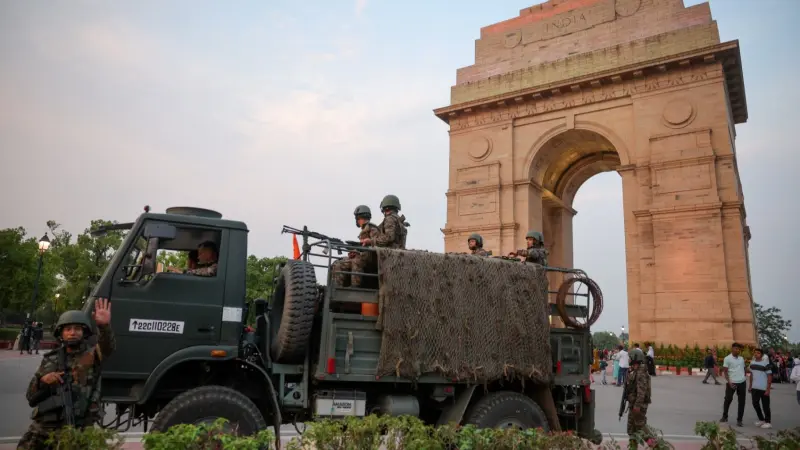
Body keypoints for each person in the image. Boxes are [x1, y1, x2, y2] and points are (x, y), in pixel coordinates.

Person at [18, 299, 115, 450]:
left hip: (79, 426)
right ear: (61, 333)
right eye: (68, 329)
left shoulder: (93, 355)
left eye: (77, 329)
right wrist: (43, 381)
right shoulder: (50, 359)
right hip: (47, 426)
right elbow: (31, 397)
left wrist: (103, 326)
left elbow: (108, 346)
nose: (72, 333)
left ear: (84, 332)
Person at [333, 205, 380, 287]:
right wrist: (355, 252)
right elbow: (364, 248)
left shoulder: (372, 228)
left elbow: (376, 245)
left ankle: (355, 286)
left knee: (356, 261)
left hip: (370, 259)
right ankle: (336, 287)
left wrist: (359, 252)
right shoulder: (366, 229)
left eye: (357, 218)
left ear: (359, 218)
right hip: (364, 257)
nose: (357, 221)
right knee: (338, 263)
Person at [625, 350, 652, 446]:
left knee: (641, 427)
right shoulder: (636, 371)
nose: (629, 360)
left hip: (638, 406)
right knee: (631, 429)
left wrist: (637, 406)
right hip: (634, 404)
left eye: (630, 358)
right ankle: (633, 447)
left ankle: (655, 445)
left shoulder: (640, 373)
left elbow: (641, 392)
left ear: (635, 359)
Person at [721, 342, 747, 427]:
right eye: (736, 349)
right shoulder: (727, 359)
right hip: (732, 382)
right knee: (728, 399)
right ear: (732, 349)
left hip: (742, 382)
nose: (737, 350)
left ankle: (739, 420)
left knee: (742, 402)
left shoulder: (741, 359)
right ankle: (725, 416)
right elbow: (725, 372)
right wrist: (729, 382)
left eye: (739, 349)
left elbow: (744, 369)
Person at [748, 348, 773, 429]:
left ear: (761, 355)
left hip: (763, 388)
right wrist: (750, 385)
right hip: (755, 387)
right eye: (755, 353)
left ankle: (768, 422)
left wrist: (768, 389)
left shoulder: (766, 364)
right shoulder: (752, 363)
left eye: (758, 353)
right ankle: (761, 419)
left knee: (766, 405)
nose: (756, 354)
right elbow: (751, 374)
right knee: (755, 403)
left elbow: (769, 376)